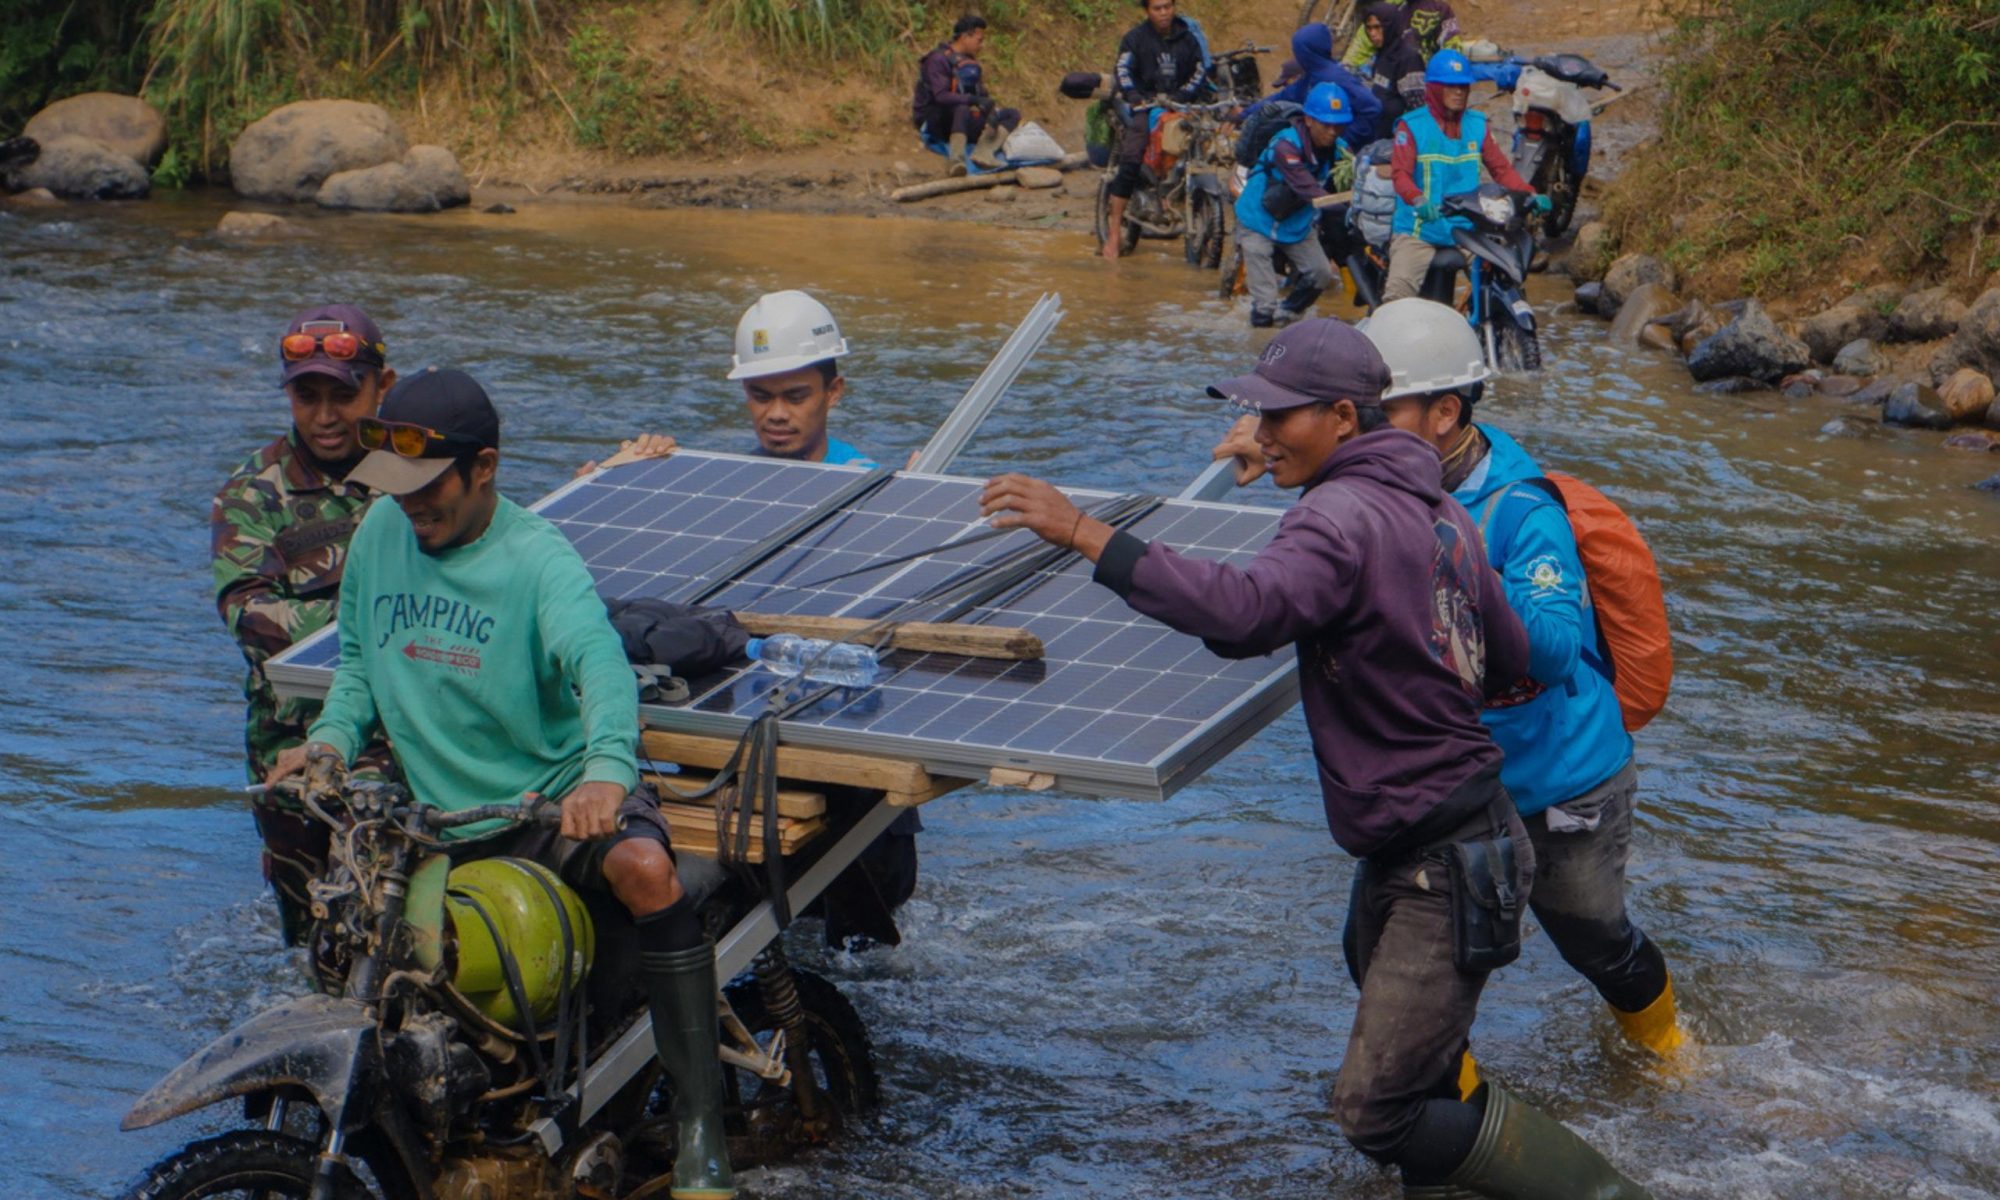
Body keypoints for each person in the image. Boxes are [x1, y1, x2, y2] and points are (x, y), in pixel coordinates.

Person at [979, 319, 1655, 1199]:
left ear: (1343, 417)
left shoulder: (1342, 517)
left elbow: (1247, 613)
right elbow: (1512, 652)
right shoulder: (1441, 510)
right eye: (1256, 416)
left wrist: (1085, 534)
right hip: (1446, 835)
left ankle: (1611, 1195)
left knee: (1378, 1111)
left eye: (1278, 417)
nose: (1259, 435)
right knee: (1422, 1065)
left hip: (1441, 860)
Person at [269, 368, 735, 1199]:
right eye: (397, 485)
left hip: (548, 802)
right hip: (436, 818)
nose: (410, 504)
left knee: (645, 870)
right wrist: (329, 742)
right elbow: (357, 665)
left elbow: (602, 667)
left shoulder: (538, 559)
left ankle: (702, 1129)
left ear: (483, 467)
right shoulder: (380, 534)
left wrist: (604, 776)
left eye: (428, 486)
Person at [1360, 299, 1686, 1058]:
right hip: (1445, 784)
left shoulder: (1522, 510)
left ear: (1445, 413)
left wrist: (1457, 569)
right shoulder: (1380, 487)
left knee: (1598, 944)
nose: (1363, 427)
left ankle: (1669, 1053)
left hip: (1559, 783)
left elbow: (1556, 650)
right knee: (1383, 957)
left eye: (1382, 410)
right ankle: (1435, 1096)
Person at [212, 303, 396, 945]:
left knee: (387, 910)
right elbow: (249, 612)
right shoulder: (253, 492)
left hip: (402, 737)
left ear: (382, 387)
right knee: (312, 933)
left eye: (343, 396)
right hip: (292, 746)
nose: (324, 416)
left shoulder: (418, 473)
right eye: (305, 396)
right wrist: (391, 620)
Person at [1383, 49, 1542, 304]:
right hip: (1419, 231)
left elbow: (1501, 170)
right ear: (1435, 88)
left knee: (1505, 284)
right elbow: (1400, 175)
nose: (1459, 92)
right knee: (1396, 300)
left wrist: (1530, 194)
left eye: (1463, 87)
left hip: (1466, 229)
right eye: (1451, 87)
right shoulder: (1411, 126)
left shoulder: (1477, 125)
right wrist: (1417, 200)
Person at [1233, 82, 1350, 328]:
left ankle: (1288, 315)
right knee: (1264, 304)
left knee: (1320, 273)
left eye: (1338, 126)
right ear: (1309, 120)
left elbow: (1356, 173)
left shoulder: (1339, 151)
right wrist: (1347, 206)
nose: (1332, 132)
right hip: (1257, 219)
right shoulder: (1285, 145)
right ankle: (1261, 335)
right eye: (1326, 125)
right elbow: (1307, 187)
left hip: (1297, 223)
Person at [1102, 0, 1209, 260]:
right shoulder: (1134, 39)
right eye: (1157, 8)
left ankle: (1174, 198)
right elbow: (1122, 71)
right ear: (1147, 11)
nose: (1163, 13)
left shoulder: (1188, 39)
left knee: (1198, 146)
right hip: (1144, 107)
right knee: (1132, 157)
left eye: (1167, 7)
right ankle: (1114, 233)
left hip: (1179, 106)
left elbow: (1199, 71)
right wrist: (1134, 96)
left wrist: (1182, 96)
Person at [1238, 21, 1381, 148]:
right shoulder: (1310, 77)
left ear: (1307, 51)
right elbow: (1279, 99)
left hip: (1351, 152)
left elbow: (1372, 107)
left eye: (1298, 51)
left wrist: (1346, 140)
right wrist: (1244, 114)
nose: (1296, 55)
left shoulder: (1336, 78)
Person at [911, 14, 1021, 177]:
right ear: (964, 37)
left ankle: (983, 152)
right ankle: (956, 161)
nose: (981, 45)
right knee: (961, 107)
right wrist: (972, 100)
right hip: (937, 122)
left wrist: (991, 114)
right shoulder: (937, 59)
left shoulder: (970, 63)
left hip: (962, 120)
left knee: (1012, 114)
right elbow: (940, 96)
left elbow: (982, 96)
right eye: (979, 40)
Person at [1341, 0, 1464, 70]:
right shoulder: (1386, 10)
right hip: (1389, 77)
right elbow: (1360, 47)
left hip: (1427, 77)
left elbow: (1453, 47)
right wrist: (1347, 68)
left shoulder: (1440, 9)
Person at [1360, 1, 1427, 128]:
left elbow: (1418, 109)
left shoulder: (1408, 59)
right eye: (1369, 28)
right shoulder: (1379, 56)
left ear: (1389, 26)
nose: (1373, 34)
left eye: (1377, 27)